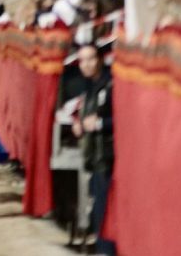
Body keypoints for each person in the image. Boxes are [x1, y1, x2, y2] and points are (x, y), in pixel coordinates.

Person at [72, 43, 115, 255]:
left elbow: (123, 120)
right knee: (98, 207)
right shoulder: (89, 86)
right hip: (94, 157)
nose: (86, 64)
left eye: (90, 59)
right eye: (82, 60)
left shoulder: (110, 85)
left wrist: (99, 124)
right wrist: (80, 124)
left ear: (99, 59)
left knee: (105, 209)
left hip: (107, 157)